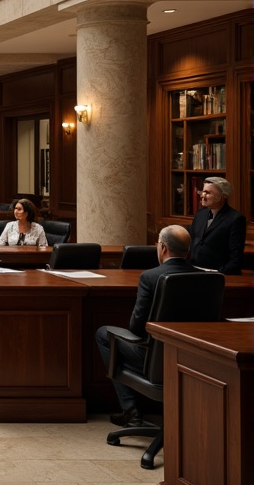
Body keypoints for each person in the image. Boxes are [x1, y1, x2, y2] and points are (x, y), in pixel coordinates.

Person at [96, 224, 195, 428]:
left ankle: (130, 410)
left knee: (104, 334)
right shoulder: (207, 277)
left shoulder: (150, 277)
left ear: (164, 248)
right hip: (193, 361)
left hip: (155, 359)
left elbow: (136, 327)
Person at [189, 177, 245, 274]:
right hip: (193, 271)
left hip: (217, 275)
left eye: (207, 193)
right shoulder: (200, 215)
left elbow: (235, 260)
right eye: (202, 192)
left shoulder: (235, 219)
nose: (202, 196)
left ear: (223, 196)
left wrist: (217, 273)